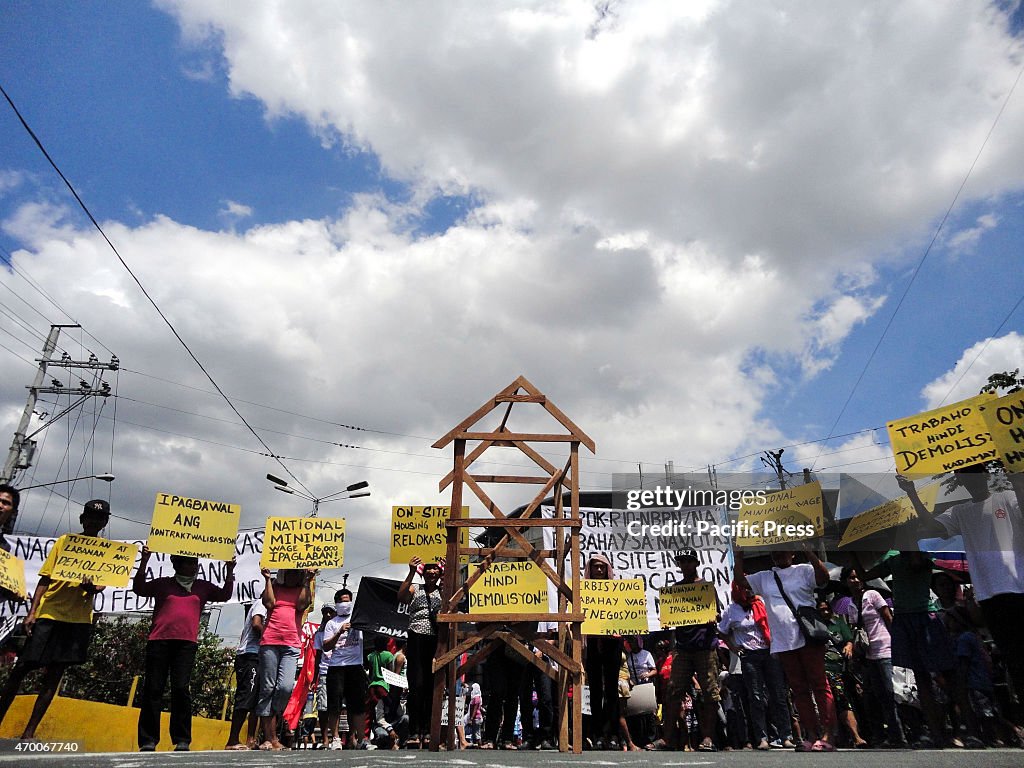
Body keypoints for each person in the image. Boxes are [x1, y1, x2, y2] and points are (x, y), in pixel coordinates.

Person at [901, 466, 1024, 704]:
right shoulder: (959, 511)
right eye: (964, 476)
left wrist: (1017, 479)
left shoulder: (1008, 498)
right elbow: (932, 526)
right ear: (959, 479)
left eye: (975, 473)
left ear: (986, 475)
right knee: (1013, 658)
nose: (970, 480)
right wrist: (911, 493)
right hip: (990, 595)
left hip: (1019, 588)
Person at [0, 499, 110, 740]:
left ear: (105, 522)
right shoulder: (65, 541)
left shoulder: (108, 553)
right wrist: (32, 613)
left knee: (55, 675)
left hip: (78, 620)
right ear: (82, 518)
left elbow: (99, 587)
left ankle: (29, 733)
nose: (94, 521)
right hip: (49, 614)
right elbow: (44, 578)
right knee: (21, 669)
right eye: (90, 516)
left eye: (100, 518)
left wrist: (88, 586)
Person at [735, 545, 836, 752]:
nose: (779, 554)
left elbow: (823, 578)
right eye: (775, 551)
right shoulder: (764, 577)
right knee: (799, 690)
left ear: (793, 553)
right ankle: (810, 735)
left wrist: (809, 550)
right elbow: (741, 581)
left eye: (783, 550)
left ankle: (828, 735)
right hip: (783, 641)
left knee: (819, 684)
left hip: (807, 637)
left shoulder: (804, 569)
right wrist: (739, 556)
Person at [133, 546, 235, 751]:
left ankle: (182, 739)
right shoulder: (163, 584)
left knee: (181, 689)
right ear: (176, 564)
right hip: (159, 641)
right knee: (153, 689)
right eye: (188, 562)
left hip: (186, 644)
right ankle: (148, 740)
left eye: (195, 563)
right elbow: (139, 588)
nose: (193, 566)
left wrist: (229, 571)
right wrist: (144, 561)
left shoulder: (203, 587)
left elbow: (225, 594)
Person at [718, 580, 792, 750]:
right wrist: (734, 647)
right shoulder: (731, 610)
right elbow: (722, 632)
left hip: (770, 652)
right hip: (749, 656)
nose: (749, 591)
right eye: (745, 588)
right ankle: (762, 738)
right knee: (756, 697)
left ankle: (785, 736)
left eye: (751, 587)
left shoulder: (761, 603)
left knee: (778, 695)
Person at [661, 549, 720, 752]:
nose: (685, 565)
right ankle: (667, 739)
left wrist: (714, 617)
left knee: (710, 692)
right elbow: (671, 619)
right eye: (681, 562)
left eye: (688, 561)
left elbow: (717, 613)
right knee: (673, 691)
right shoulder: (675, 590)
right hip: (683, 649)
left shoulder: (706, 588)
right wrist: (667, 624)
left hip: (705, 647)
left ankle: (708, 737)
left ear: (696, 563)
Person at [841, 565, 905, 747]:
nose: (855, 580)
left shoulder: (873, 595)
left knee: (892, 693)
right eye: (851, 578)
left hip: (885, 649)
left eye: (857, 577)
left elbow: (888, 617)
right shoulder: (851, 604)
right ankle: (885, 735)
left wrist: (898, 643)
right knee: (876, 696)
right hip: (868, 655)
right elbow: (856, 629)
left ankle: (900, 735)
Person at [256, 567, 313, 750]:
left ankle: (273, 720)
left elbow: (302, 605)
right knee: (267, 688)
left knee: (285, 686)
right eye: (290, 572)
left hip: (291, 644)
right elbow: (268, 603)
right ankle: (270, 737)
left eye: (297, 573)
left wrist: (307, 581)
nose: (293, 576)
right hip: (270, 642)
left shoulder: (302, 589)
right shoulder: (274, 586)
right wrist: (267, 579)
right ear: (283, 574)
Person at [397, 556, 442, 748]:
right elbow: (401, 597)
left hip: (436, 640)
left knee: (433, 686)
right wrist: (411, 571)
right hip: (416, 637)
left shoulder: (444, 592)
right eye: (429, 568)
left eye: (435, 569)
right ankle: (414, 732)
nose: (432, 572)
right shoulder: (416, 588)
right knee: (417, 685)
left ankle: (429, 731)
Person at [322, 588, 374, 750]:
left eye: (348, 600)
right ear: (337, 603)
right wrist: (339, 632)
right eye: (343, 601)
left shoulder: (357, 619)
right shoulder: (331, 623)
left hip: (355, 666)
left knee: (358, 705)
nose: (346, 604)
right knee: (334, 705)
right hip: (336, 667)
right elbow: (326, 646)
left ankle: (362, 739)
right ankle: (336, 738)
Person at [582, 554, 623, 749]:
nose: (599, 570)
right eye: (596, 567)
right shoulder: (583, 591)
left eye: (602, 567)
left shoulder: (617, 592)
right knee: (595, 690)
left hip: (612, 644)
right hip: (591, 643)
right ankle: (597, 733)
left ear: (608, 569)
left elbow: (625, 615)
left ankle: (613, 733)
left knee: (612, 690)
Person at [816, 598, 868, 747]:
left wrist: (849, 646)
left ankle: (856, 737)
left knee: (843, 701)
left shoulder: (838, 623)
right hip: (821, 670)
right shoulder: (815, 626)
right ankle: (829, 737)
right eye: (821, 610)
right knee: (825, 705)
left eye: (827, 609)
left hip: (839, 669)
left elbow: (849, 639)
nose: (825, 612)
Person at [225, 599, 268, 749]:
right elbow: (256, 623)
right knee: (246, 697)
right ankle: (232, 739)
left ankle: (251, 739)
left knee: (256, 700)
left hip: (261, 656)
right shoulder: (262, 604)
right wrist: (270, 637)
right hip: (250, 655)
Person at [311, 603, 336, 748]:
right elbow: (318, 656)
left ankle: (337, 737)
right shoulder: (319, 635)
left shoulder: (340, 630)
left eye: (330, 612)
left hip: (338, 670)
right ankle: (325, 738)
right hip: (325, 672)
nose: (327, 615)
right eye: (325, 613)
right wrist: (314, 677)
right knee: (323, 707)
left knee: (337, 706)